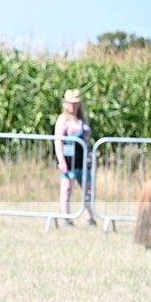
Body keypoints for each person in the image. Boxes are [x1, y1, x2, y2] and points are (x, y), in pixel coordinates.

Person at [53, 88, 96, 226]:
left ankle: (89, 217)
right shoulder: (63, 119)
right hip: (69, 160)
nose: (72, 106)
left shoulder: (81, 119)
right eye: (70, 103)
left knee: (87, 188)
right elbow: (58, 140)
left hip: (82, 160)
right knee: (67, 189)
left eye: (75, 103)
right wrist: (61, 161)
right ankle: (67, 218)